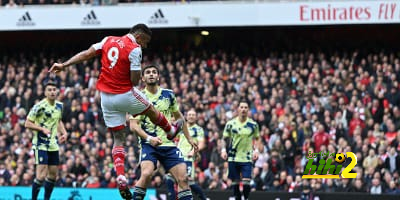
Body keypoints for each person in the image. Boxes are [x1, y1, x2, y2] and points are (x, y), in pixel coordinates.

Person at [49, 24, 184, 199]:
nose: (145, 46)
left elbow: (87, 53)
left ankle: (120, 175)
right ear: (140, 37)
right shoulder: (134, 49)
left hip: (105, 98)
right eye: (146, 42)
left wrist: (64, 64)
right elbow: (135, 81)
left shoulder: (108, 40)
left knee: (118, 138)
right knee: (151, 109)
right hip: (124, 94)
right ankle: (170, 130)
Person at [129, 65, 198, 200]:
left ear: (158, 76)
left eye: (154, 72)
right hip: (149, 144)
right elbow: (133, 126)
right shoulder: (138, 97)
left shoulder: (168, 94)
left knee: (183, 179)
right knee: (147, 173)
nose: (151, 74)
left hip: (168, 144)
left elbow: (179, 118)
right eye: (148, 72)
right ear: (143, 78)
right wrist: (149, 138)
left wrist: (189, 139)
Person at [25, 79, 68, 200]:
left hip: (53, 144)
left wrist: (64, 132)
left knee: (53, 175)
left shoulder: (59, 105)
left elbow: (58, 120)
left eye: (54, 90)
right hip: (40, 144)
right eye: (49, 90)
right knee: (41, 176)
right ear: (45, 92)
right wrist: (41, 129)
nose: (52, 92)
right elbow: (27, 123)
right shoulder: (39, 106)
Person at [221, 100, 260, 200]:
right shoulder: (230, 124)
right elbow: (224, 139)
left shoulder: (253, 125)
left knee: (247, 182)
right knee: (235, 184)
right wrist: (223, 150)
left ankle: (246, 198)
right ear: (238, 109)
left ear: (248, 110)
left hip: (246, 158)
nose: (243, 109)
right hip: (233, 157)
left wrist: (256, 150)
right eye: (241, 107)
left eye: (245, 107)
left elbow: (257, 138)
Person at [166, 109, 207, 200]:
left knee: (188, 182)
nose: (191, 116)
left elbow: (201, 143)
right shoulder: (181, 127)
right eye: (189, 115)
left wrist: (193, 152)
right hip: (177, 157)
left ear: (196, 117)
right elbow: (175, 139)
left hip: (188, 158)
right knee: (169, 179)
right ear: (186, 116)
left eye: (193, 115)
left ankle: (204, 198)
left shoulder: (198, 129)